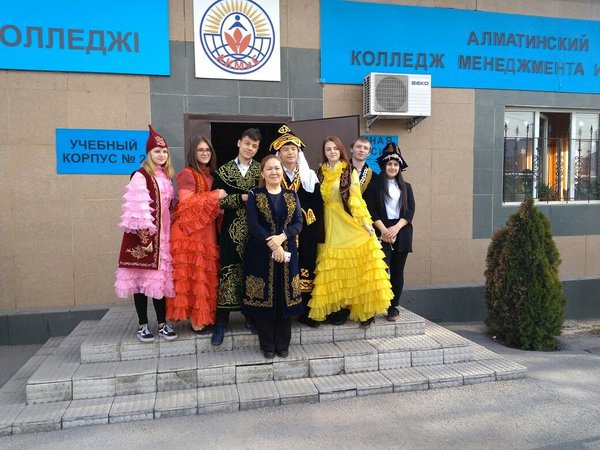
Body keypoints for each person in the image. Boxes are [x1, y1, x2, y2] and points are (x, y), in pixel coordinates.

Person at [309, 136, 393, 327]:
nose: (332, 152)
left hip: (346, 221)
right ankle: (337, 309)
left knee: (355, 265)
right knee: (334, 267)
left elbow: (356, 198)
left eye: (335, 148)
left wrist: (365, 223)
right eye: (328, 149)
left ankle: (362, 309)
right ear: (324, 152)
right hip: (327, 223)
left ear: (341, 150)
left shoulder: (349, 171)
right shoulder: (319, 172)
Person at [115, 125, 178, 342]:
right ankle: (143, 325)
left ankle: (162, 323)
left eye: (164, 151)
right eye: (157, 151)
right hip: (145, 238)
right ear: (149, 153)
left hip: (163, 237)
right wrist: (145, 239)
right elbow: (137, 209)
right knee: (140, 281)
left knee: (159, 280)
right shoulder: (140, 176)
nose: (161, 155)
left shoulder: (166, 177)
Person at [243, 155, 303, 358]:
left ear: (282, 171)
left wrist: (282, 237)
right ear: (262, 173)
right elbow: (253, 224)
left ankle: (283, 344)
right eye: (269, 169)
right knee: (265, 299)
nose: (274, 172)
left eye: (277, 168)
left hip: (287, 253)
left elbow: (298, 222)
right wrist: (274, 245)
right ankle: (267, 345)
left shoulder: (292, 195)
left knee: (284, 298)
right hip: (261, 252)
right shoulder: (255, 194)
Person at [166, 136, 227, 333]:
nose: (205, 153)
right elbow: (187, 201)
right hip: (189, 233)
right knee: (193, 276)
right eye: (200, 150)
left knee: (203, 276)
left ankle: (203, 318)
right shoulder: (187, 173)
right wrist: (216, 195)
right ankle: (196, 322)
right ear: (193, 152)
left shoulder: (210, 175)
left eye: (207, 150)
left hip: (205, 231)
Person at [211, 128, 262, 345]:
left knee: (253, 271)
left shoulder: (262, 169)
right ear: (239, 142)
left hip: (256, 230)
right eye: (247, 143)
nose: (250, 148)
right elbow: (215, 201)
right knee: (228, 271)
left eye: (254, 146)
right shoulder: (223, 171)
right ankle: (221, 322)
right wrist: (239, 198)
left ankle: (250, 316)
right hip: (231, 230)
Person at [269, 125, 322, 328]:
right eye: (285, 149)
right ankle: (284, 311)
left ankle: (306, 311)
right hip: (281, 229)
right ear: (279, 154)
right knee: (282, 265)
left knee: (306, 264)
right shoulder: (274, 174)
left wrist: (303, 214)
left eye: (293, 149)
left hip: (305, 228)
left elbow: (317, 201)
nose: (290, 153)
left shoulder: (309, 175)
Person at [366, 142, 415, 321]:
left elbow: (410, 210)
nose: (392, 167)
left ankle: (393, 307)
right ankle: (374, 306)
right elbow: (371, 210)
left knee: (397, 271)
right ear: (384, 165)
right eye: (389, 164)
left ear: (399, 167)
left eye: (395, 164)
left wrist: (395, 229)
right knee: (379, 271)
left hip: (401, 231)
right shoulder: (374, 186)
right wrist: (384, 231)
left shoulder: (406, 187)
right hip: (381, 230)